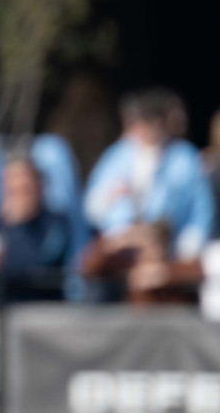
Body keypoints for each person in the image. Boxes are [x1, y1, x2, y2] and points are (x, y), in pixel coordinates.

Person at [81, 89, 213, 277]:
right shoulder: (117, 155)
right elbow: (91, 208)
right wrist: (109, 197)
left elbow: (201, 209)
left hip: (165, 248)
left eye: (150, 121)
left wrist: (188, 245)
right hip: (120, 246)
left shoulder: (184, 158)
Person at [0, 154, 70, 303]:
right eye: (12, 191)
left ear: (38, 185)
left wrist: (17, 225)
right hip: (3, 305)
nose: (19, 196)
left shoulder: (57, 223)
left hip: (43, 307)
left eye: (25, 190)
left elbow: (41, 265)